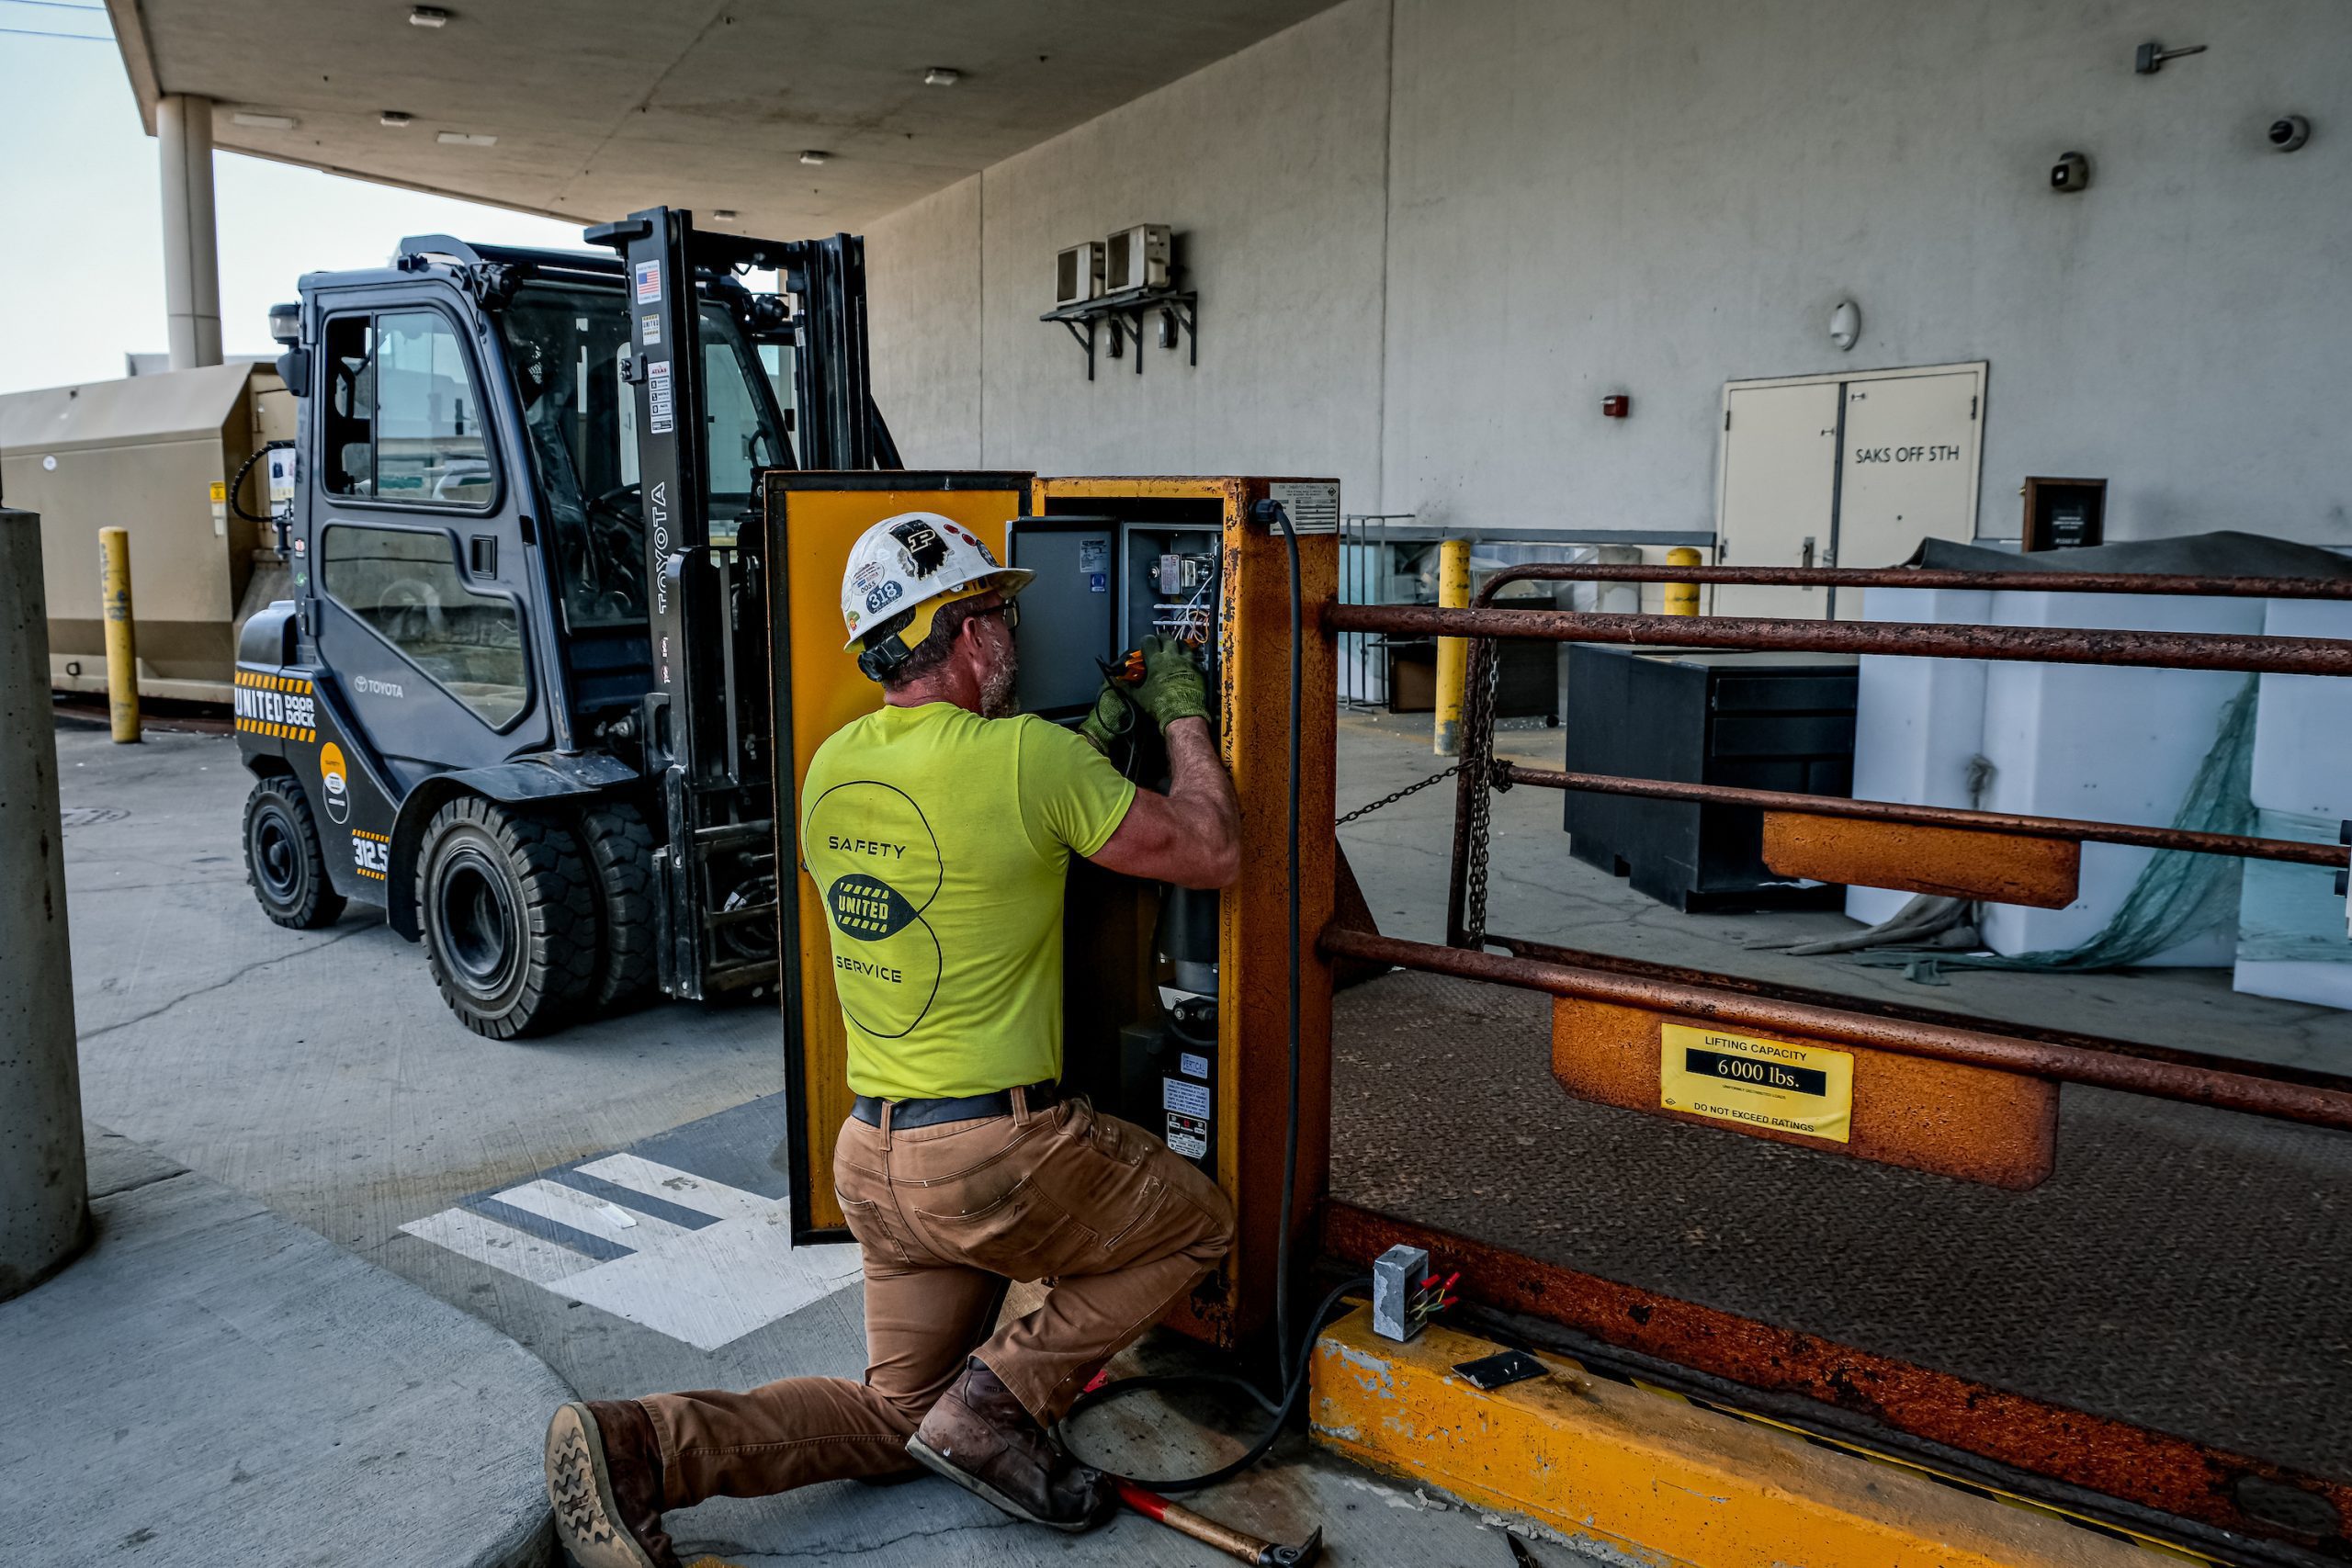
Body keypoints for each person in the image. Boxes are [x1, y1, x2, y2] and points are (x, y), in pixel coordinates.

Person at [545, 511, 1242, 1568]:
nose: (1012, 632)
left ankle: (642, 1445)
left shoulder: (833, 768)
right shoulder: (1026, 760)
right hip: (998, 1162)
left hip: (873, 1160)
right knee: (1196, 1225)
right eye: (998, 612)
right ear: (965, 636)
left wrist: (1089, 747)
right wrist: (1183, 715)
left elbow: (981, 852)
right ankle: (1000, 1400)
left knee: (891, 1419)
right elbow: (1210, 849)